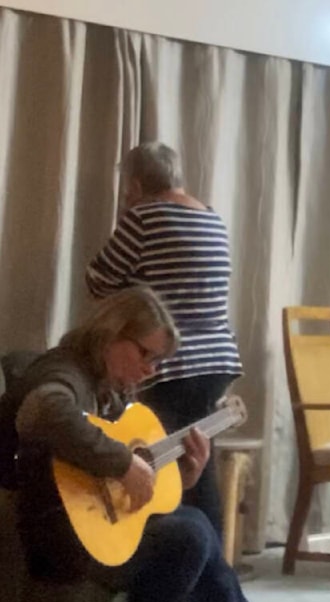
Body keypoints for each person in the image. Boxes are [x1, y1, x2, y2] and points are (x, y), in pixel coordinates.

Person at [10, 286, 271, 602]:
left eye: (156, 361)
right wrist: (122, 463)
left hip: (83, 523)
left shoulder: (107, 390)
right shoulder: (63, 371)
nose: (149, 370)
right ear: (110, 333)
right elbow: (42, 411)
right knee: (191, 534)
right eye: (145, 354)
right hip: (47, 530)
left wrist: (184, 474)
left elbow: (120, 482)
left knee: (193, 530)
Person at [86, 141, 244, 537]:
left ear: (137, 184)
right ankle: (209, 564)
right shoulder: (212, 217)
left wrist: (129, 214)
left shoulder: (143, 217)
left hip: (172, 360)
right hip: (218, 359)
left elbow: (98, 282)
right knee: (197, 460)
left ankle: (195, 564)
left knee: (173, 470)